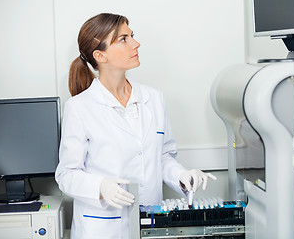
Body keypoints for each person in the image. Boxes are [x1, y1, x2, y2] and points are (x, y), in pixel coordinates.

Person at [55, 13, 216, 239]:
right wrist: (100, 187)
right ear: (100, 55)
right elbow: (66, 174)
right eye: (123, 39)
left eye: (132, 36)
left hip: (150, 223)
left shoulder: (154, 99)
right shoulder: (80, 107)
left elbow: (163, 157)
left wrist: (181, 174)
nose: (136, 43)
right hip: (102, 228)